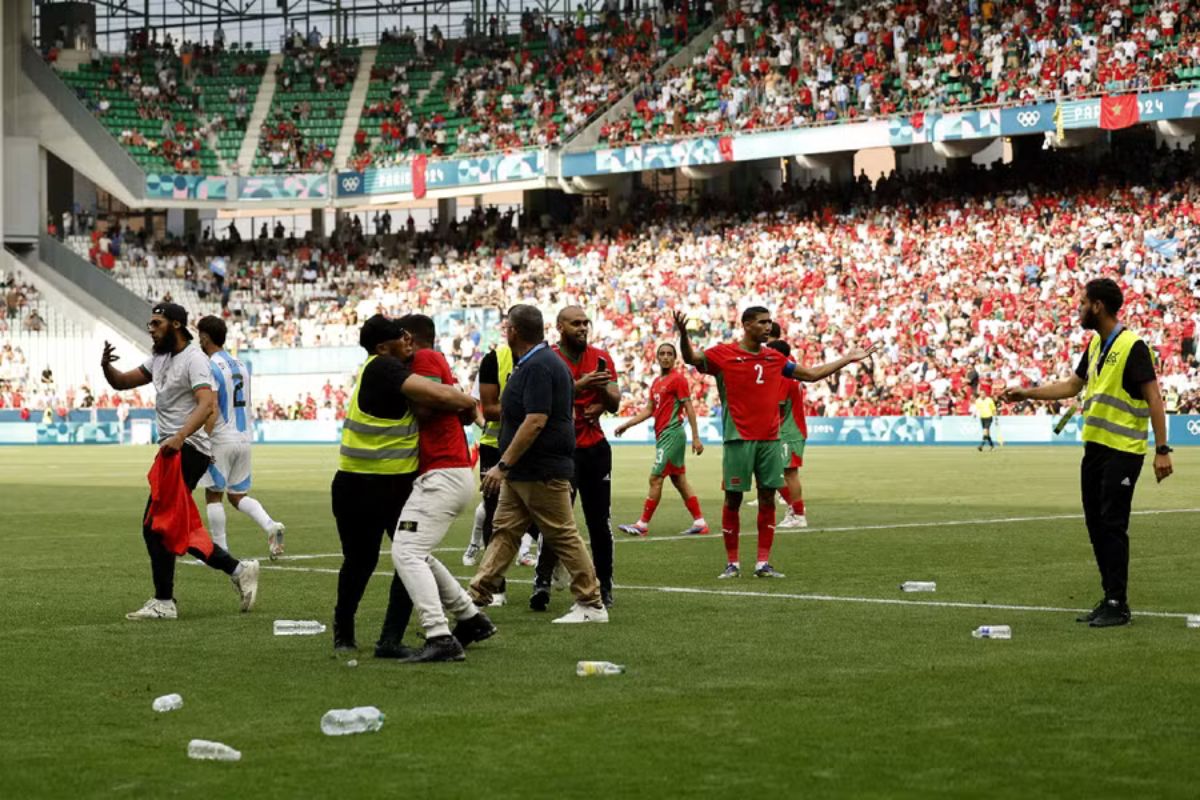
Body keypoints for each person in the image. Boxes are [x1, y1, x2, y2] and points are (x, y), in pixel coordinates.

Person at [1000, 278, 1173, 628]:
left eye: (1082, 303)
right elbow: (1072, 386)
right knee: (1096, 524)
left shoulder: (1132, 345)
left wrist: (1162, 449)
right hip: (1094, 450)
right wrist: (1026, 393)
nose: (1078, 308)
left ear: (1098, 306)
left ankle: (1117, 603)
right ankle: (1109, 596)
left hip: (1123, 451)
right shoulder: (1096, 345)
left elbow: (1154, 397)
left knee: (1112, 524)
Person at [674, 307, 878, 579]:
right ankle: (732, 563)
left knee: (768, 497)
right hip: (738, 439)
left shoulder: (775, 358)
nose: (768, 326)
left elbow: (812, 374)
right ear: (747, 325)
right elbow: (692, 358)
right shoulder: (723, 354)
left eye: (770, 322)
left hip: (771, 440)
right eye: (762, 322)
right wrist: (684, 335)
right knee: (732, 499)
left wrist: (847, 359)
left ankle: (762, 563)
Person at [100, 303, 259, 620]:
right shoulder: (159, 358)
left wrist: (180, 435)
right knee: (171, 527)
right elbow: (122, 382)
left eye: (156, 323)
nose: (150, 328)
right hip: (174, 450)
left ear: (175, 324)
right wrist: (106, 367)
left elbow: (207, 404)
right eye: (149, 322)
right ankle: (238, 569)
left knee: (154, 526)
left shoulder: (196, 360)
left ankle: (165, 601)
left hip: (187, 449)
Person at [331, 315, 479, 652]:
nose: (408, 340)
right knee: (366, 560)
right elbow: (436, 395)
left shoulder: (389, 367)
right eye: (401, 336)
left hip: (390, 485)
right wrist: (469, 403)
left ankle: (383, 639)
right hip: (362, 486)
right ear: (383, 347)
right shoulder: (383, 368)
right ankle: (349, 633)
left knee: (404, 556)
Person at [469, 304, 608, 624]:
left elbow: (535, 420)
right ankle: (477, 595)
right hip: (527, 471)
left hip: (540, 469)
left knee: (562, 534)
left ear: (512, 331)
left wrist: (502, 465)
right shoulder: (541, 362)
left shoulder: (538, 366)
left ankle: (591, 603)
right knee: (504, 532)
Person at [387, 314, 496, 663]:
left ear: (408, 337)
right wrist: (462, 399)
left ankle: (439, 634)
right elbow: (461, 409)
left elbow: (425, 404)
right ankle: (471, 618)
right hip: (446, 469)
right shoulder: (434, 362)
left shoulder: (424, 359)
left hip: (443, 472)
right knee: (417, 551)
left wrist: (456, 399)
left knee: (406, 553)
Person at [531, 306, 619, 609]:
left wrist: (603, 399)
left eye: (586, 323)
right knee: (557, 522)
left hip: (595, 449)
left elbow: (616, 401)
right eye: (575, 323)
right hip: (560, 451)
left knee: (599, 522)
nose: (582, 328)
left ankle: (605, 585)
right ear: (559, 327)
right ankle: (541, 582)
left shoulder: (601, 357)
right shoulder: (549, 358)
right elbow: (548, 400)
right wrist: (581, 385)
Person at [195, 316, 286, 558]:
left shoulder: (209, 366)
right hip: (244, 438)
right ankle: (270, 525)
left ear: (205, 337)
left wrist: (204, 436)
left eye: (199, 335)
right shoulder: (241, 365)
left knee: (213, 494)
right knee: (237, 496)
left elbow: (212, 407)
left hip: (222, 439)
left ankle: (220, 551)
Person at [615, 342, 708, 536]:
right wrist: (627, 424)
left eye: (669, 354)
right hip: (663, 435)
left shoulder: (678, 380)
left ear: (675, 358)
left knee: (655, 478)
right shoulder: (657, 382)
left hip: (672, 434)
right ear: (657, 358)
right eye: (662, 354)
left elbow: (689, 407)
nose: (665, 357)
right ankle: (700, 522)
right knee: (679, 480)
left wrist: (696, 437)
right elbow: (650, 410)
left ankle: (642, 525)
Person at [765, 339, 808, 530]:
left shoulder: (783, 375)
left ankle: (798, 514)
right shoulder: (791, 371)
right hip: (789, 429)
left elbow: (777, 406)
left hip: (789, 431)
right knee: (776, 473)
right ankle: (795, 509)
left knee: (789, 473)